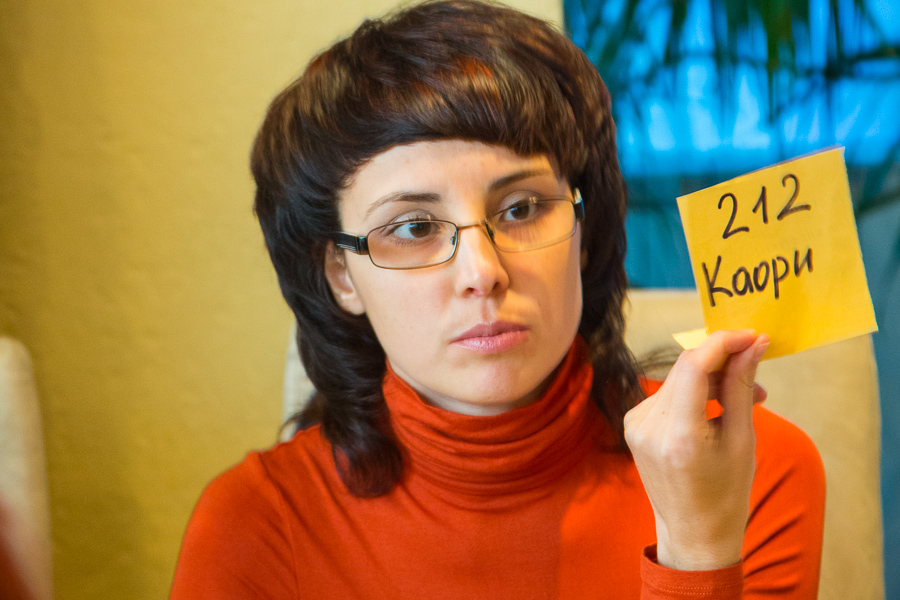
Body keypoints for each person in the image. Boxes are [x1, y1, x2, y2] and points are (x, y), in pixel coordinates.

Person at [170, 1, 825, 598]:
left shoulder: (744, 468)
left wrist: (698, 546)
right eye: (414, 228)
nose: (483, 272)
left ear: (585, 232)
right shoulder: (252, 524)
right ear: (342, 275)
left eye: (522, 208)